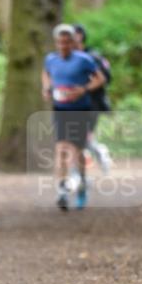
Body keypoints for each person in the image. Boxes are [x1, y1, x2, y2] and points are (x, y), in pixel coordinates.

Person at [42, 24, 106, 211]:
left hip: (80, 109)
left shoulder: (84, 60)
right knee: (61, 149)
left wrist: (83, 90)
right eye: (60, 42)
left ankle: (82, 186)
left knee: (77, 151)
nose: (64, 45)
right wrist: (46, 88)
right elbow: (45, 74)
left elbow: (100, 79)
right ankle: (62, 191)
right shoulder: (51, 60)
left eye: (67, 42)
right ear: (56, 43)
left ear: (73, 42)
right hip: (60, 108)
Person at [73, 24, 113, 173]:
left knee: (83, 136)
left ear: (81, 36)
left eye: (75, 34)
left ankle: (82, 169)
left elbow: (105, 78)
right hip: (73, 103)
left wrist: (84, 88)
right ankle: (98, 153)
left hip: (92, 103)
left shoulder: (93, 56)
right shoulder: (67, 57)